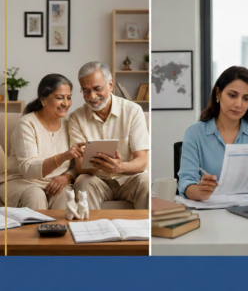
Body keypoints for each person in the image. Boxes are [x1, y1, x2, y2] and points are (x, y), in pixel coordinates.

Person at [178, 66, 248, 201]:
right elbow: (185, 182)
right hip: (212, 211)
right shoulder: (195, 133)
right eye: (232, 95)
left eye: (246, 98)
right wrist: (200, 192)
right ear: (218, 93)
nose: (238, 104)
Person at [69, 61, 149, 209]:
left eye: (97, 88)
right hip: (96, 180)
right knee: (82, 182)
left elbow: (142, 161)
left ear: (110, 85)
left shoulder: (133, 111)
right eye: (86, 91)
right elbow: (80, 166)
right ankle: (90, 230)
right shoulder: (76, 117)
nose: (92, 96)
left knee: (146, 182)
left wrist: (120, 167)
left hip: (129, 178)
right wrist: (98, 166)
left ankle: (143, 232)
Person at [0, 74, 85, 209]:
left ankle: (64, 231)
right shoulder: (27, 124)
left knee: (66, 198)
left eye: (68, 97)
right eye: (59, 97)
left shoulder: (71, 123)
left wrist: (67, 178)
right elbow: (28, 169)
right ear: (43, 100)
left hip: (56, 182)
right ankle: (33, 231)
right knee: (36, 196)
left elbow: (76, 166)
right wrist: (64, 156)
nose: (66, 103)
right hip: (22, 181)